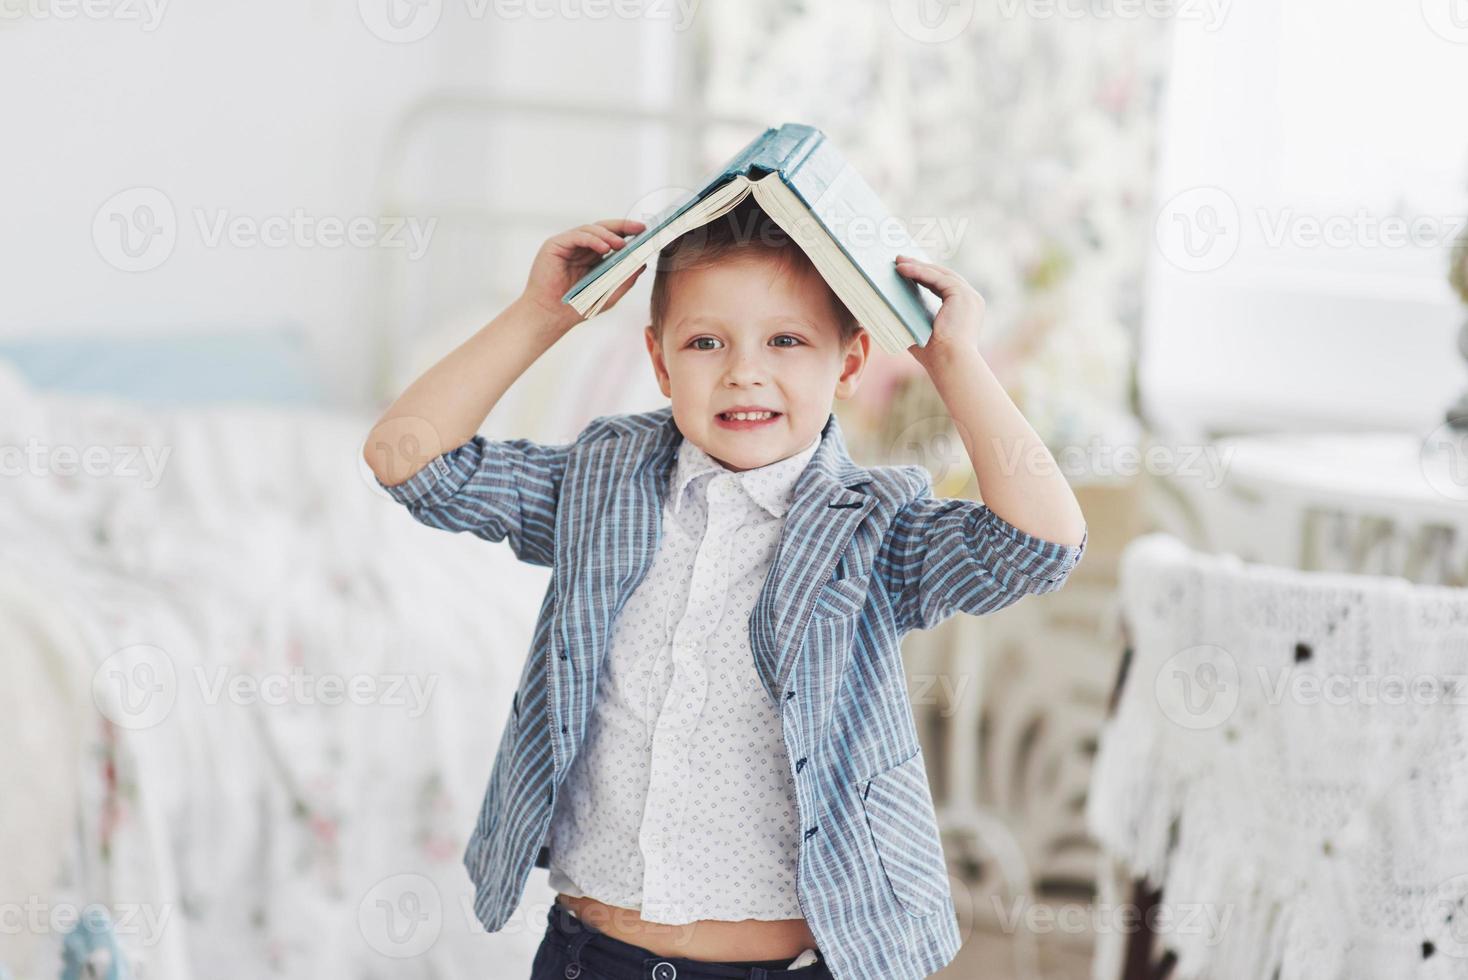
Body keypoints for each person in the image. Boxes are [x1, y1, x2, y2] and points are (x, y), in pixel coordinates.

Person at [363, 197, 1088, 980]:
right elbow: (408, 459)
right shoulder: (601, 480)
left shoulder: (871, 527)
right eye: (706, 342)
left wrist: (952, 360)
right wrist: (544, 313)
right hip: (589, 956)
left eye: (786, 340)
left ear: (848, 363)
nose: (745, 370)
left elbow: (1039, 545)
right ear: (660, 359)